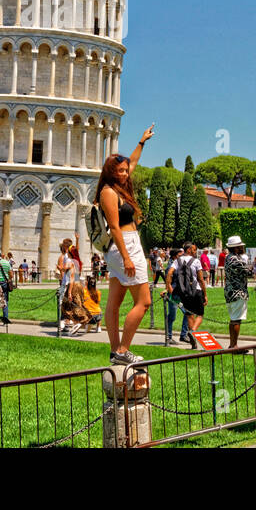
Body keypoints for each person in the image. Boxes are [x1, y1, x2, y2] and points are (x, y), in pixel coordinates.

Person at [99, 124, 155, 366]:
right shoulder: (108, 193)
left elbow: (133, 161)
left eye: (125, 171)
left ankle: (115, 352)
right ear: (111, 171)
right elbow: (114, 227)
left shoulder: (119, 187)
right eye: (120, 171)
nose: (125, 173)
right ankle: (123, 348)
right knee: (144, 302)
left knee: (114, 304)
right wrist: (128, 258)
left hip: (123, 248)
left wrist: (142, 141)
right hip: (124, 246)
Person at [169, 242, 207, 350]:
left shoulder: (177, 261)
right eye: (194, 250)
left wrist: (169, 287)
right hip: (196, 290)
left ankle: (193, 343)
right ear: (189, 249)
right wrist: (205, 294)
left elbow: (169, 273)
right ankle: (193, 331)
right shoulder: (196, 261)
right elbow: (200, 279)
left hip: (184, 292)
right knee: (200, 314)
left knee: (189, 315)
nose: (195, 252)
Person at [222, 235, 253, 348]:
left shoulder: (228, 257)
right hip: (238, 292)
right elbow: (250, 273)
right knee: (236, 320)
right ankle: (233, 345)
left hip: (230, 292)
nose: (242, 248)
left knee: (233, 319)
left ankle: (232, 345)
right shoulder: (236, 260)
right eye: (240, 246)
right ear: (235, 248)